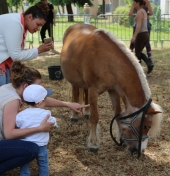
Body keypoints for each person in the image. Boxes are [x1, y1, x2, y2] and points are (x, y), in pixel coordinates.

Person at [0, 61, 90, 175]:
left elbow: (40, 100)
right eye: (38, 86)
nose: (40, 90)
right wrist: (39, 129)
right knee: (31, 149)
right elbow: (9, 134)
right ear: (26, 87)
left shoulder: (10, 87)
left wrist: (68, 104)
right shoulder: (13, 100)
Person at [0, 2, 53, 86]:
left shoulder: (20, 24)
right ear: (30, 17)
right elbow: (16, 55)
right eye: (38, 24)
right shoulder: (15, 24)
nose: (38, 28)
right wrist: (38, 50)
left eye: (40, 26)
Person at [16, 84, 58, 175]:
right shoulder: (46, 113)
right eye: (45, 99)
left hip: (25, 146)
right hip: (41, 146)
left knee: (24, 165)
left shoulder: (20, 115)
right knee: (43, 164)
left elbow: (17, 125)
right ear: (40, 102)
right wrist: (55, 124)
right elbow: (53, 121)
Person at [129, 0, 154, 74]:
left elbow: (138, 25)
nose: (133, 4)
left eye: (134, 2)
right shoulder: (143, 11)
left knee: (137, 54)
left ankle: (144, 67)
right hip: (146, 34)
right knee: (138, 53)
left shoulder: (139, 12)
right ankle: (146, 65)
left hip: (141, 35)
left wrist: (134, 36)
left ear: (137, 3)